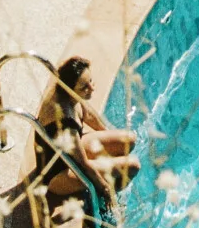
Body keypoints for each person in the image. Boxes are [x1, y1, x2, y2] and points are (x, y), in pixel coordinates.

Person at [34, 57, 140, 215]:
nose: (91, 88)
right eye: (84, 87)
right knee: (132, 166)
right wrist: (105, 189)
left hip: (67, 152)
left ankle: (108, 178)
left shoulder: (66, 91)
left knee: (128, 140)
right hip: (59, 174)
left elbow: (88, 114)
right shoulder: (65, 121)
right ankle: (107, 208)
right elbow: (83, 165)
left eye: (91, 81)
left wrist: (108, 136)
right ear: (71, 89)